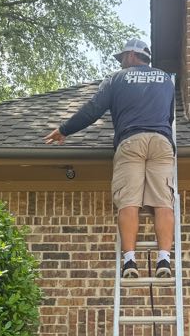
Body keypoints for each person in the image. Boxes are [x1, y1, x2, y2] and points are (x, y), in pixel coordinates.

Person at [44, 38, 175, 279]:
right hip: (161, 142)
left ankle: (129, 262)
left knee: (128, 202)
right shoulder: (166, 79)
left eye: (123, 57)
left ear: (132, 56)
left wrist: (64, 129)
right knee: (163, 203)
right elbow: (169, 116)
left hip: (131, 141)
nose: (122, 62)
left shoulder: (117, 78)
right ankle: (164, 258)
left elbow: (93, 109)